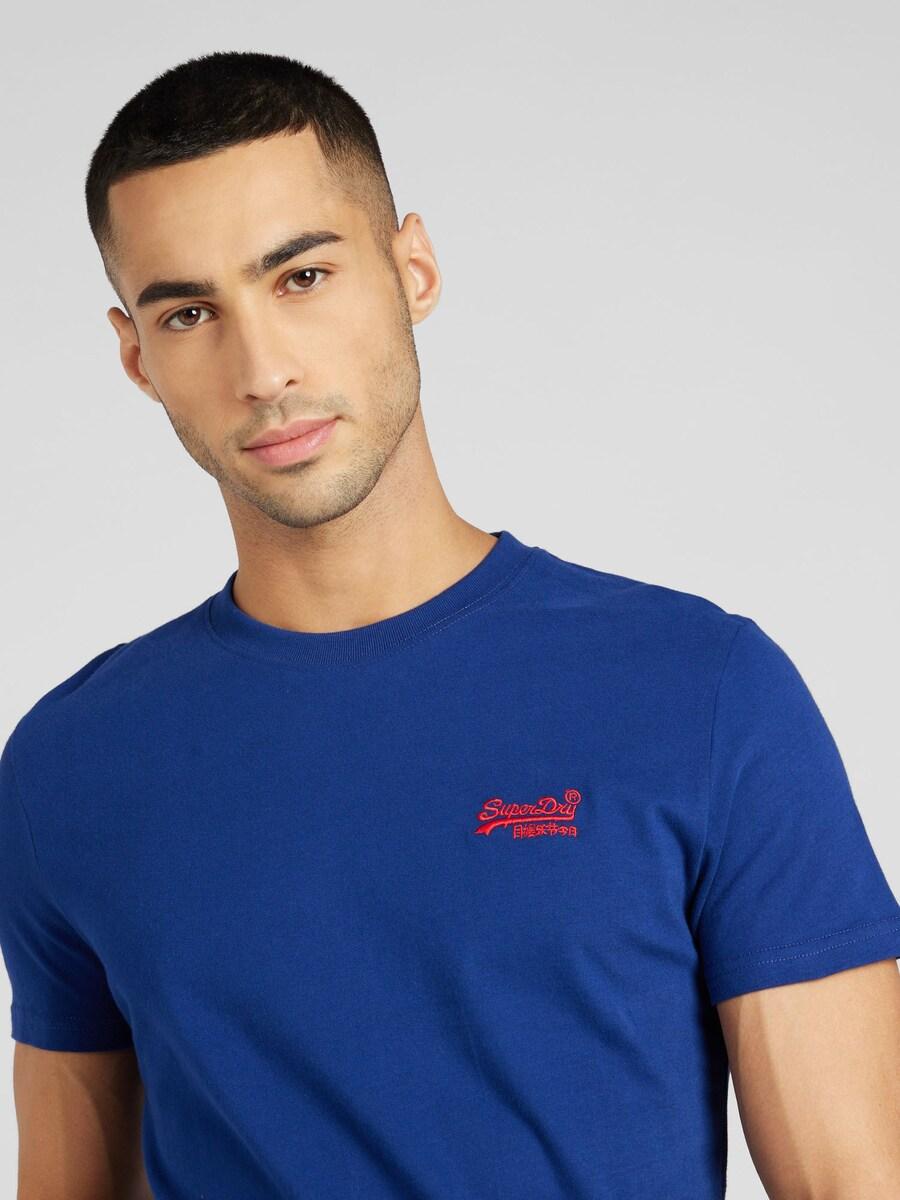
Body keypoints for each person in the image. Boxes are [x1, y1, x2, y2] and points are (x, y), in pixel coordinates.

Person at [1, 50, 898, 1200]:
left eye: (302, 277)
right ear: (137, 354)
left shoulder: (702, 691)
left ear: (411, 268)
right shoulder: (71, 766)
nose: (263, 368)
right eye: (189, 312)